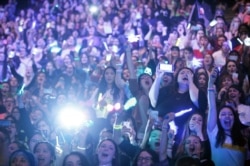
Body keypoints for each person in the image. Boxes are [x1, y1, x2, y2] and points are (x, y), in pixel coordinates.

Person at [207, 67, 247, 166]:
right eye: (223, 114)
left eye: (230, 114)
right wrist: (210, 83)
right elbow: (212, 107)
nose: (227, 116)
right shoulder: (214, 132)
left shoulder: (243, 139)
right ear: (218, 119)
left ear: (235, 118)